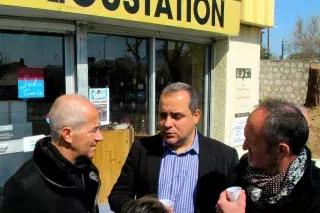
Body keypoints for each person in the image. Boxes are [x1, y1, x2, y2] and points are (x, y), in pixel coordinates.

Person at [109, 82, 239, 213]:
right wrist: (143, 210)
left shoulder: (224, 156)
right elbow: (118, 196)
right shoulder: (142, 149)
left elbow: (236, 204)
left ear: (196, 116)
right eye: (163, 115)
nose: (167, 123)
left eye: (177, 116)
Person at [0, 94, 103, 213]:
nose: (100, 137)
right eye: (93, 130)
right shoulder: (24, 187)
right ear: (68, 134)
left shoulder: (87, 171)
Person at [216, 99, 320, 213]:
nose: (244, 147)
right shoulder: (242, 171)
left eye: (251, 142)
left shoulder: (314, 195)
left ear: (281, 151)